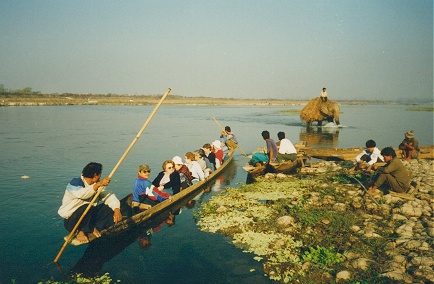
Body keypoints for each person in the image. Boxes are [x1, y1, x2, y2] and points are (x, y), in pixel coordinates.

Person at [58, 162, 122, 244]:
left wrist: (117, 209)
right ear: (95, 175)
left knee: (108, 208)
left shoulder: (96, 184)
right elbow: (82, 194)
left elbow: (108, 196)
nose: (100, 177)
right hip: (72, 222)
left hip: (87, 218)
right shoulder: (75, 183)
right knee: (87, 206)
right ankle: (81, 231)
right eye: (100, 175)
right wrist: (98, 184)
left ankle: (92, 227)